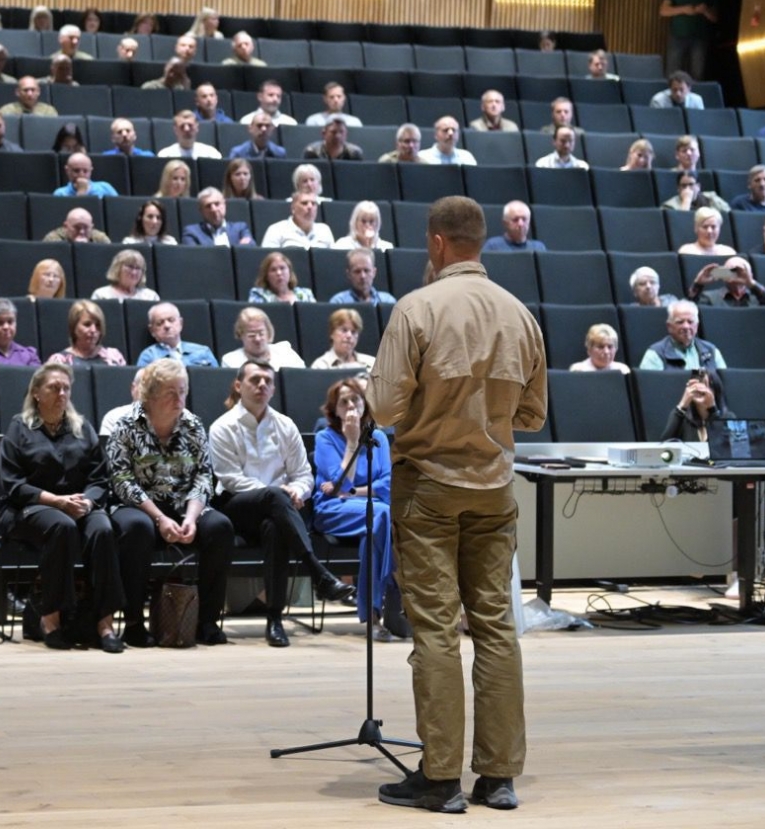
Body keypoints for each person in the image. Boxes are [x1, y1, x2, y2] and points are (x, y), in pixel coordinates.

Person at [366, 195, 546, 813]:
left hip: (431, 488)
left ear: (438, 243)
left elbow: (384, 409)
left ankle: (440, 778)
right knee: (497, 628)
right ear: (481, 241)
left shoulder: (416, 309)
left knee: (438, 631)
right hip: (495, 487)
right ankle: (498, 778)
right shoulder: (520, 315)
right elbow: (534, 413)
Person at [210, 361, 354, 647]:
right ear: (239, 386)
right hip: (235, 507)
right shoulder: (222, 427)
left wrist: (298, 492)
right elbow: (230, 479)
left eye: (267, 380)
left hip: (279, 510)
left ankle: (274, 620)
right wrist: (280, 493)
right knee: (274, 498)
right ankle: (318, 573)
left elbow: (303, 474)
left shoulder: (284, 425)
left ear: (274, 388)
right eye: (255, 380)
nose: (262, 385)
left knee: (275, 527)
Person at [107, 358, 233, 647]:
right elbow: (122, 479)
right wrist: (158, 518)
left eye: (183, 391)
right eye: (171, 393)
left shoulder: (192, 424)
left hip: (183, 504)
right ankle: (134, 622)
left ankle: (206, 621)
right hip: (138, 506)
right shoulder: (125, 425)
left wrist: (191, 517)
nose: (179, 399)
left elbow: (203, 476)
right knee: (137, 530)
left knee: (220, 527)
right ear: (150, 396)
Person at [0, 365, 124, 652]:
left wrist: (88, 501)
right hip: (30, 507)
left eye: (66, 388)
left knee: (103, 529)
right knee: (61, 525)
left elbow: (100, 478)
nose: (62, 393)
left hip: (78, 503)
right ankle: (50, 618)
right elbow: (13, 484)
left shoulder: (83, 427)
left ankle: (105, 623)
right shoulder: (20, 428)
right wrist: (56, 501)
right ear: (36, 393)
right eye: (54, 387)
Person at [312, 376, 405, 642]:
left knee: (377, 527)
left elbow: (387, 484)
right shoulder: (325, 438)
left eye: (356, 399)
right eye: (344, 402)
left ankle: (372, 617)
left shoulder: (379, 438)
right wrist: (352, 443)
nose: (351, 405)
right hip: (332, 511)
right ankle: (393, 585)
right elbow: (340, 483)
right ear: (334, 410)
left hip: (370, 511)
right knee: (384, 515)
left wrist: (351, 492)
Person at [659, 0, 718, 81]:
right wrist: (683, 9)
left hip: (699, 38)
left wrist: (705, 11)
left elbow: (715, 18)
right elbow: (663, 10)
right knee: (672, 72)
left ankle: (693, 99)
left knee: (697, 73)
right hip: (678, 35)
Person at [637, 299, 726, 371]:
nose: (686, 326)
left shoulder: (711, 351)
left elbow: (724, 385)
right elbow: (649, 390)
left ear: (697, 325)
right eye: (680, 322)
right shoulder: (655, 354)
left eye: (690, 322)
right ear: (669, 326)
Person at [135, 302, 219, 367]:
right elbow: (142, 387)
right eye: (160, 323)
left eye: (171, 320)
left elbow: (217, 380)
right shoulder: (148, 356)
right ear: (152, 330)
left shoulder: (203, 352)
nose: (167, 326)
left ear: (181, 323)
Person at [47, 299, 126, 367]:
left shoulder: (114, 356)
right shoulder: (59, 361)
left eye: (98, 325)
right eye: (87, 324)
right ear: (74, 326)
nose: (93, 330)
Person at [220, 307, 304, 369]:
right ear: (240, 335)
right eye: (251, 335)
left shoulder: (286, 353)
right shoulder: (230, 361)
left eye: (261, 333)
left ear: (268, 332)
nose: (257, 339)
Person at [660, 370, 733, 442]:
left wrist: (712, 410)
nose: (700, 390)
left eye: (706, 385)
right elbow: (663, 448)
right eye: (697, 385)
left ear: (716, 391)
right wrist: (682, 404)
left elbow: (726, 449)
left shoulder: (728, 417)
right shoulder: (681, 417)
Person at [686, 256, 765, 308]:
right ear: (723, 274)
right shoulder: (709, 297)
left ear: (750, 274)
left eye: (740, 271)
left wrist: (751, 283)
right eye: (730, 271)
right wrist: (698, 283)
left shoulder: (758, 299)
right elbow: (689, 309)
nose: (735, 274)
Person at [181, 187, 254, 246]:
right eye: (208, 206)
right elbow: (194, 257)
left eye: (217, 204)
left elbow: (250, 249)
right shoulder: (192, 232)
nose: (214, 209)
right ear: (201, 211)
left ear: (225, 205)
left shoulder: (240, 229)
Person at [311, 307, 375, 370]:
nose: (349, 336)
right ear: (331, 333)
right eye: (344, 330)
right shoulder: (320, 366)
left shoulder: (372, 363)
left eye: (353, 332)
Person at [262, 191, 332, 248]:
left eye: (313, 203)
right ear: (293, 209)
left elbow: (334, 259)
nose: (310, 207)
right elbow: (269, 260)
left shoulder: (325, 230)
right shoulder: (276, 230)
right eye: (304, 203)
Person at [329, 248, 396, 305]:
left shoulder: (388, 301)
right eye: (357, 271)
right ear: (348, 274)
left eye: (366, 271)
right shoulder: (338, 302)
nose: (362, 276)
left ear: (374, 272)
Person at [91, 249, 158, 302]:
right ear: (117, 268)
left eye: (138, 268)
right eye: (130, 267)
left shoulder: (151, 297)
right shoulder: (101, 295)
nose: (134, 272)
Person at [249, 251, 315, 304]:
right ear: (266, 276)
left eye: (282, 268)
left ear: (290, 271)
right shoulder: (258, 295)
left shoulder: (306, 294)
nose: (279, 273)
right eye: (273, 270)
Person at [481, 201, 546, 253]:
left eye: (524, 219)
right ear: (505, 223)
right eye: (515, 220)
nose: (521, 224)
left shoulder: (538, 248)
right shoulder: (492, 247)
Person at [158, 109, 223, 160]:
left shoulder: (211, 154)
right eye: (182, 126)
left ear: (197, 127)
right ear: (175, 130)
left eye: (190, 125)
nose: (186, 129)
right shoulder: (165, 155)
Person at [661, 172, 732, 214]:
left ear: (698, 187)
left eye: (691, 184)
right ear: (678, 188)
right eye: (683, 185)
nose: (687, 188)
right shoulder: (669, 206)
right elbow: (680, 223)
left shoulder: (711, 198)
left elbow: (728, 214)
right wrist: (686, 201)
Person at [54, 152, 118, 197]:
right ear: (67, 171)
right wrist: (81, 192)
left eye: (85, 171)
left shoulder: (105, 188)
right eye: (76, 171)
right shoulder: (60, 194)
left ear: (91, 171)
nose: (81, 175)